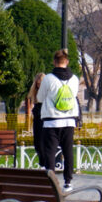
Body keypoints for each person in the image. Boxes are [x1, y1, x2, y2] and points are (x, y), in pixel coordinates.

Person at [37, 49, 81, 191]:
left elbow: (40, 98)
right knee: (68, 151)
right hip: (69, 121)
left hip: (51, 121)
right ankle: (68, 182)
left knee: (50, 151)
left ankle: (52, 182)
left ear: (54, 62)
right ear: (67, 62)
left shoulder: (48, 79)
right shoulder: (74, 79)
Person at [27, 73, 47, 168]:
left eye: (41, 84)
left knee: (45, 143)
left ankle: (47, 163)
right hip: (38, 119)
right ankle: (42, 163)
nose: (39, 86)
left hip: (45, 118)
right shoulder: (35, 92)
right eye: (38, 84)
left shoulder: (48, 92)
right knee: (38, 143)